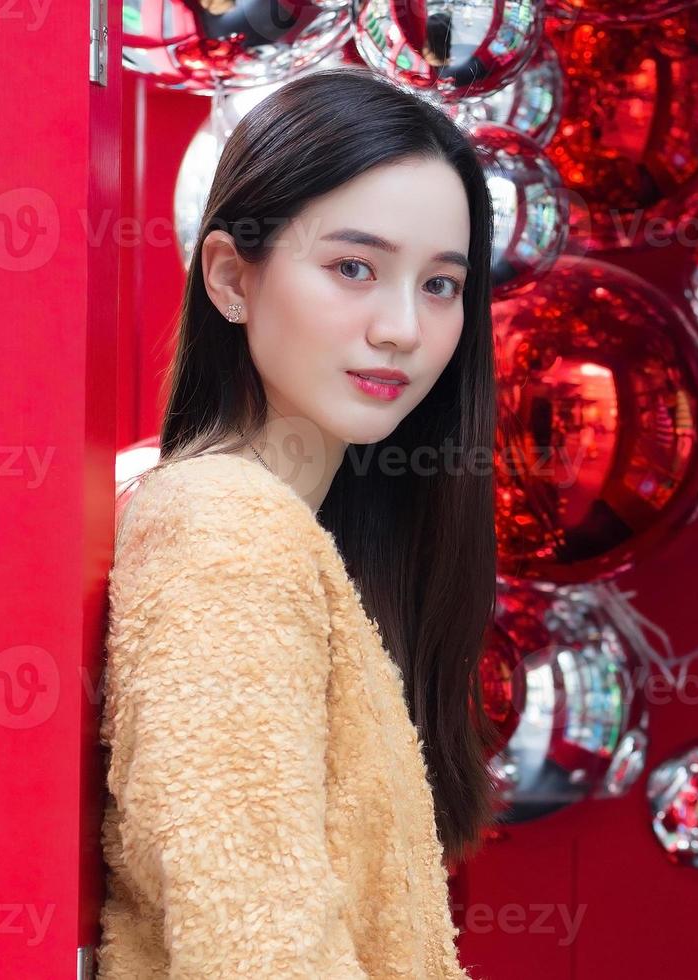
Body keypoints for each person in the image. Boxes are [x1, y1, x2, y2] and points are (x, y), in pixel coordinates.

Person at [96, 65, 499, 979]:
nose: (402, 326)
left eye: (441, 285)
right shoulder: (227, 535)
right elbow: (259, 951)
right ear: (232, 277)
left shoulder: (262, 525)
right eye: (353, 267)